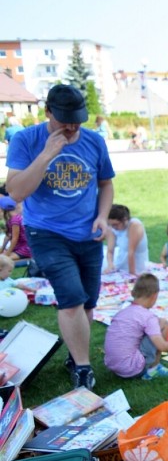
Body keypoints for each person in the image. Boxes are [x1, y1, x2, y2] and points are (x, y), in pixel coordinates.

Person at [5, 84, 115, 390]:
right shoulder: (27, 140)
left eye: (77, 120)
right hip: (46, 232)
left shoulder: (94, 141)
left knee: (88, 302)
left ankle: (74, 354)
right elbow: (15, 191)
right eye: (64, 119)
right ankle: (82, 367)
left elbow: (106, 183)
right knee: (71, 299)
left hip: (88, 234)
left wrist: (103, 216)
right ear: (47, 112)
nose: (71, 127)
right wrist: (46, 155)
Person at [103, 273, 168, 379]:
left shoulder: (122, 313)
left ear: (133, 293)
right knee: (163, 324)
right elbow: (162, 346)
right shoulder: (148, 317)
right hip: (132, 369)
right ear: (154, 296)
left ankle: (142, 364)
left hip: (113, 366)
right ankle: (153, 369)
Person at [104, 204, 149, 275]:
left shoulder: (134, 225)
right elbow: (110, 251)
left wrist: (132, 274)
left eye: (116, 224)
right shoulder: (111, 228)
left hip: (137, 267)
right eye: (110, 225)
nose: (113, 227)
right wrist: (110, 264)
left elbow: (131, 252)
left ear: (124, 220)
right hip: (120, 265)